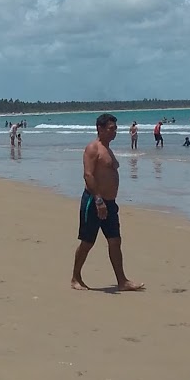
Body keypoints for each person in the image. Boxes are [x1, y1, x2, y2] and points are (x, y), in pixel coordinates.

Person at [71, 113, 142, 292]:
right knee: (87, 242)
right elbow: (88, 175)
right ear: (100, 129)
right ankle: (75, 277)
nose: (114, 132)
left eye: (116, 129)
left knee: (115, 241)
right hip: (95, 202)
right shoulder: (93, 148)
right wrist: (99, 200)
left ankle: (122, 281)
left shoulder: (107, 149)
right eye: (111, 129)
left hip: (110, 203)